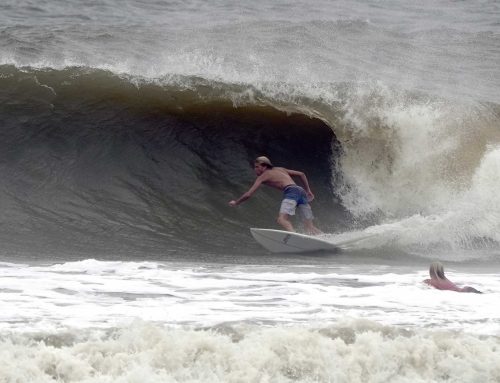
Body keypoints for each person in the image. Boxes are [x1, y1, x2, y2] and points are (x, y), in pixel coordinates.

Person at [229, 156, 322, 235]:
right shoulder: (280, 169)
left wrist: (236, 202)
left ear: (264, 166)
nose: (255, 169)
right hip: (300, 191)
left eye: (257, 167)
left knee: (281, 220)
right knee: (309, 227)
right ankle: (326, 238)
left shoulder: (263, 176)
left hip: (291, 191)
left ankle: (294, 235)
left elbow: (248, 194)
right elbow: (301, 174)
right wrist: (308, 190)